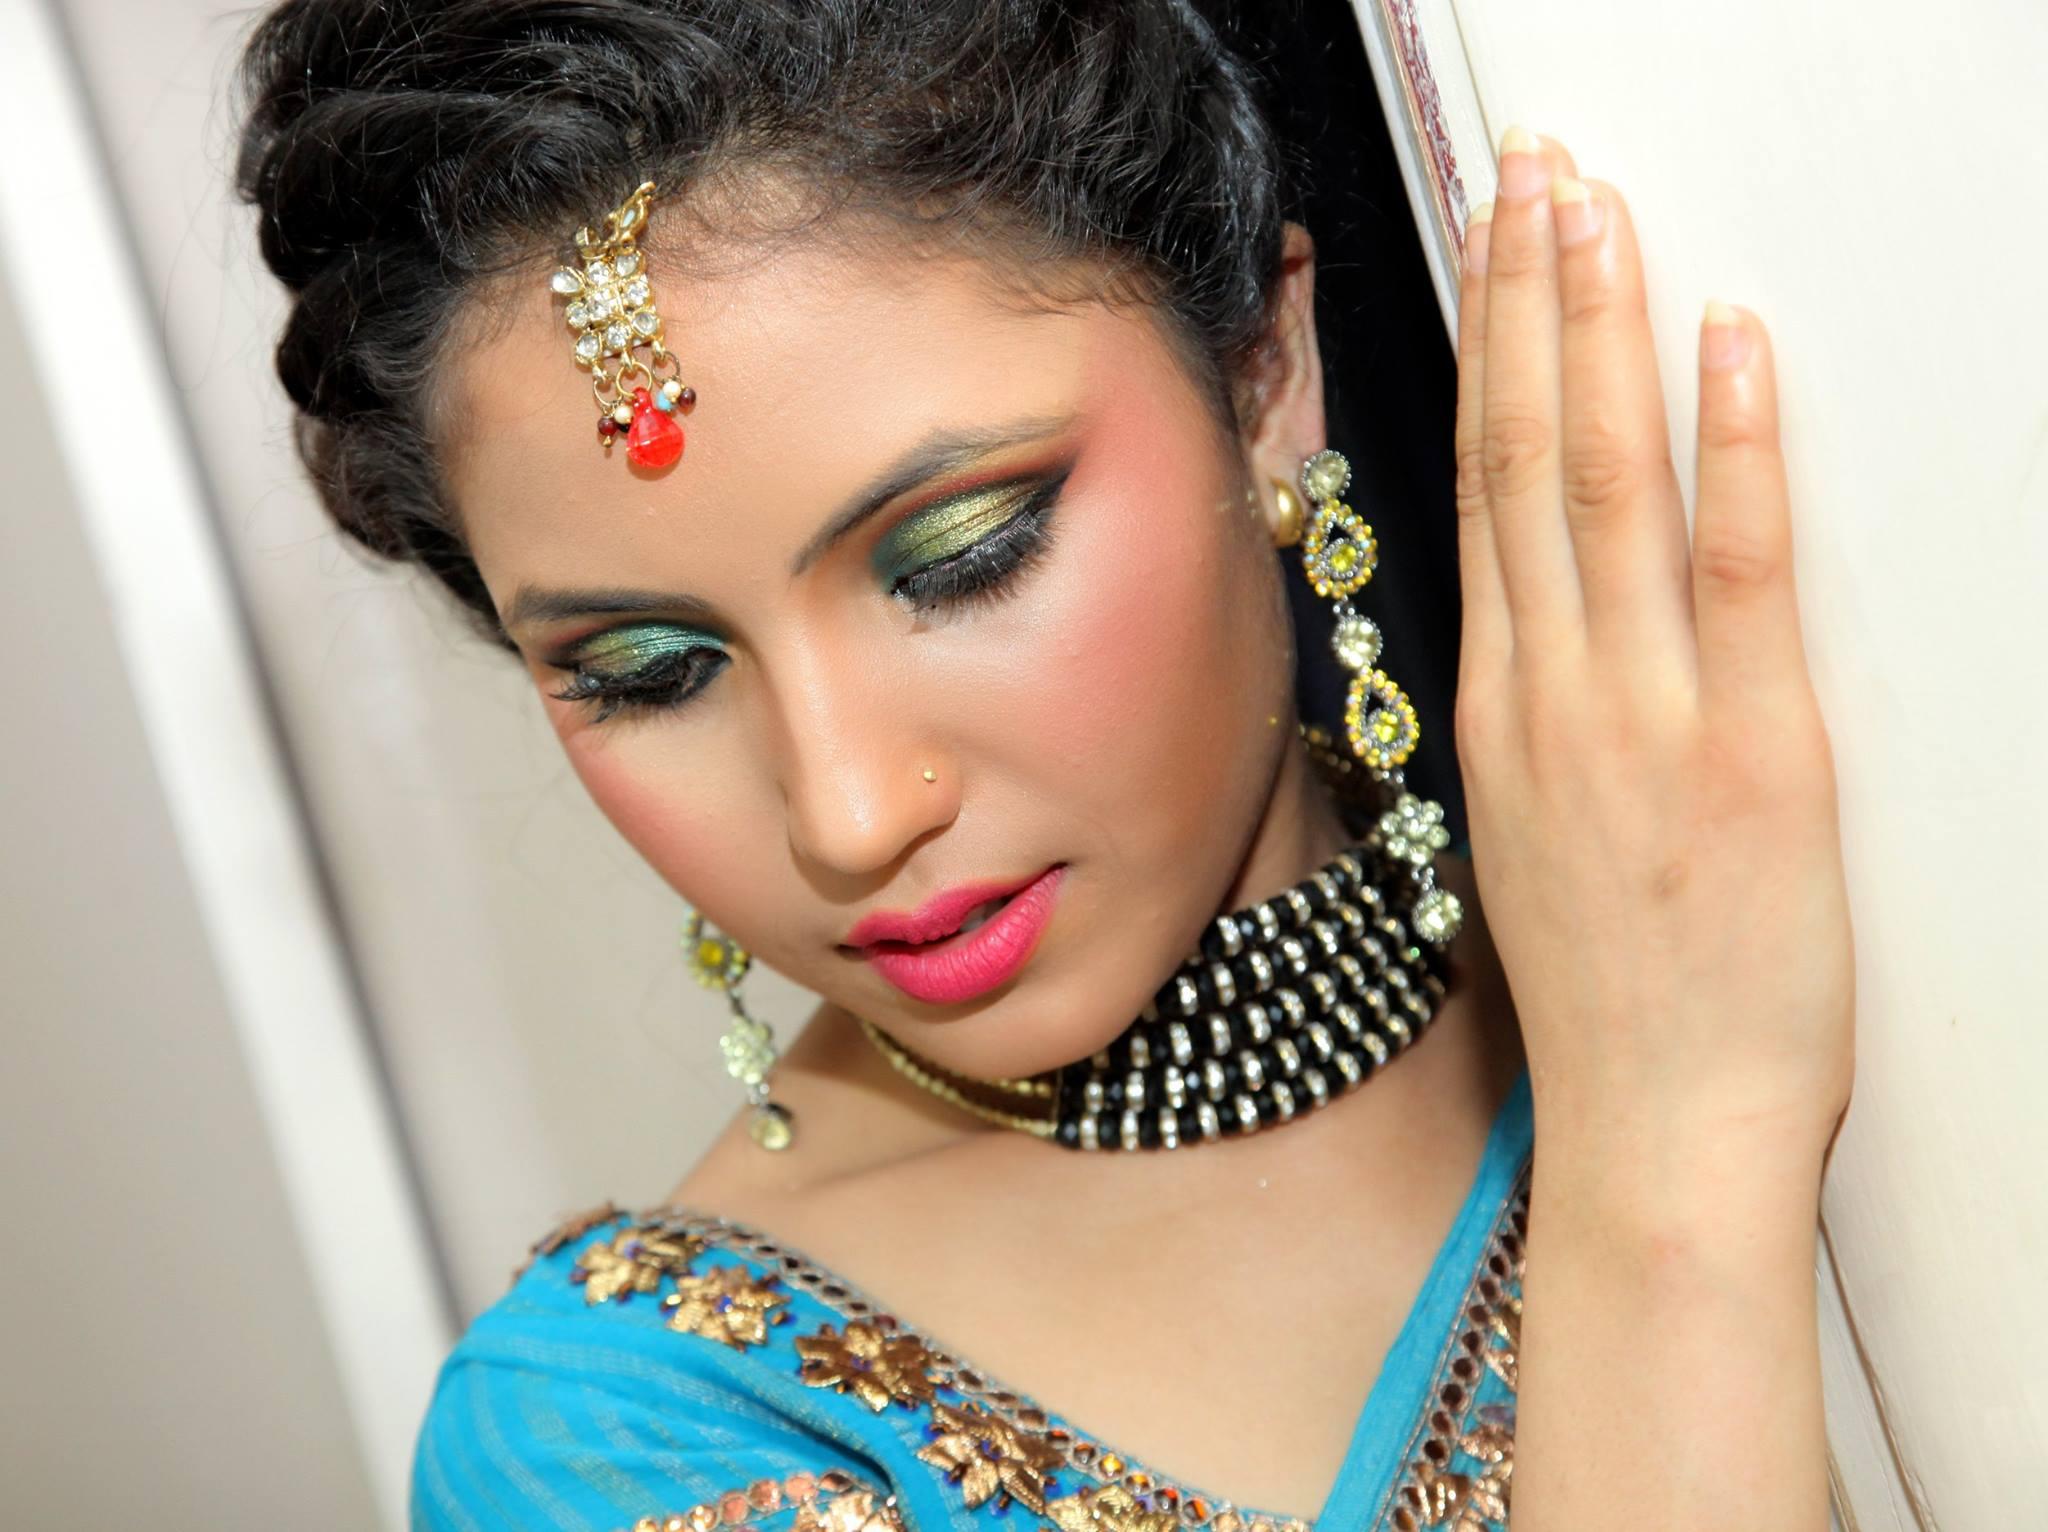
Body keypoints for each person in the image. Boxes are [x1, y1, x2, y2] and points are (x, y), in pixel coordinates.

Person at [234, 2, 1855, 1528]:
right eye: (649, 673)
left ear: (1263, 379)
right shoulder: (623, 1448)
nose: (849, 813)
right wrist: (1666, 1171)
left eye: (963, 553)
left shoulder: (1758, 892)